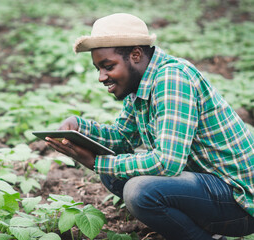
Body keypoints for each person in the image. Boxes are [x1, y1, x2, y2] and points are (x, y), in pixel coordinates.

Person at [45, 13, 254, 239]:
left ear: (136, 54)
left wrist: (97, 162)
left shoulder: (172, 78)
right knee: (113, 171)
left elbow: (168, 163)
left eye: (108, 66)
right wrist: (79, 128)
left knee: (140, 191)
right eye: (99, 69)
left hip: (240, 201)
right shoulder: (139, 84)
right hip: (209, 187)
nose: (102, 77)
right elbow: (122, 139)